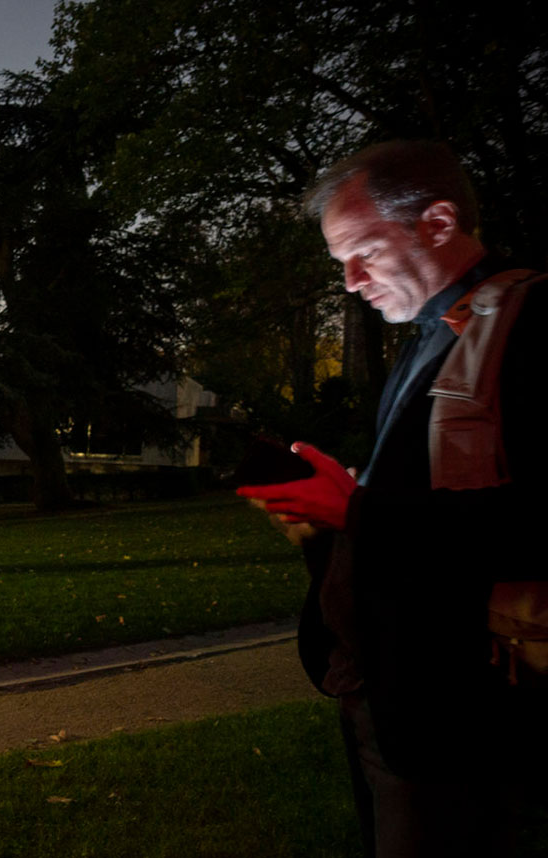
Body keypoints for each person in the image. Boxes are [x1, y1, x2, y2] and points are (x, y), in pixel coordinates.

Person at [238, 140, 546, 856]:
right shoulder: (432, 334)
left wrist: (357, 511)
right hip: (399, 695)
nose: (349, 281)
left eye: (363, 252)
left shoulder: (532, 324)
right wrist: (341, 503)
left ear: (437, 223)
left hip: (474, 719)